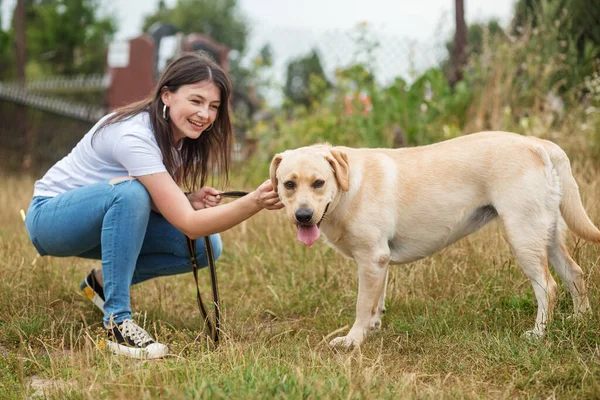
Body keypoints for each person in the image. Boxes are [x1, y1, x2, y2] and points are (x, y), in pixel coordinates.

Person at [23, 52, 283, 359]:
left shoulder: (184, 141)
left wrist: (187, 199)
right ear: (167, 95)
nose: (205, 114)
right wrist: (254, 202)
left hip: (108, 221)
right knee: (130, 193)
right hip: (51, 219)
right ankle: (117, 322)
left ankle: (101, 284)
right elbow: (186, 221)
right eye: (196, 101)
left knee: (206, 246)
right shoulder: (135, 135)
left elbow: (167, 206)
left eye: (213, 106)